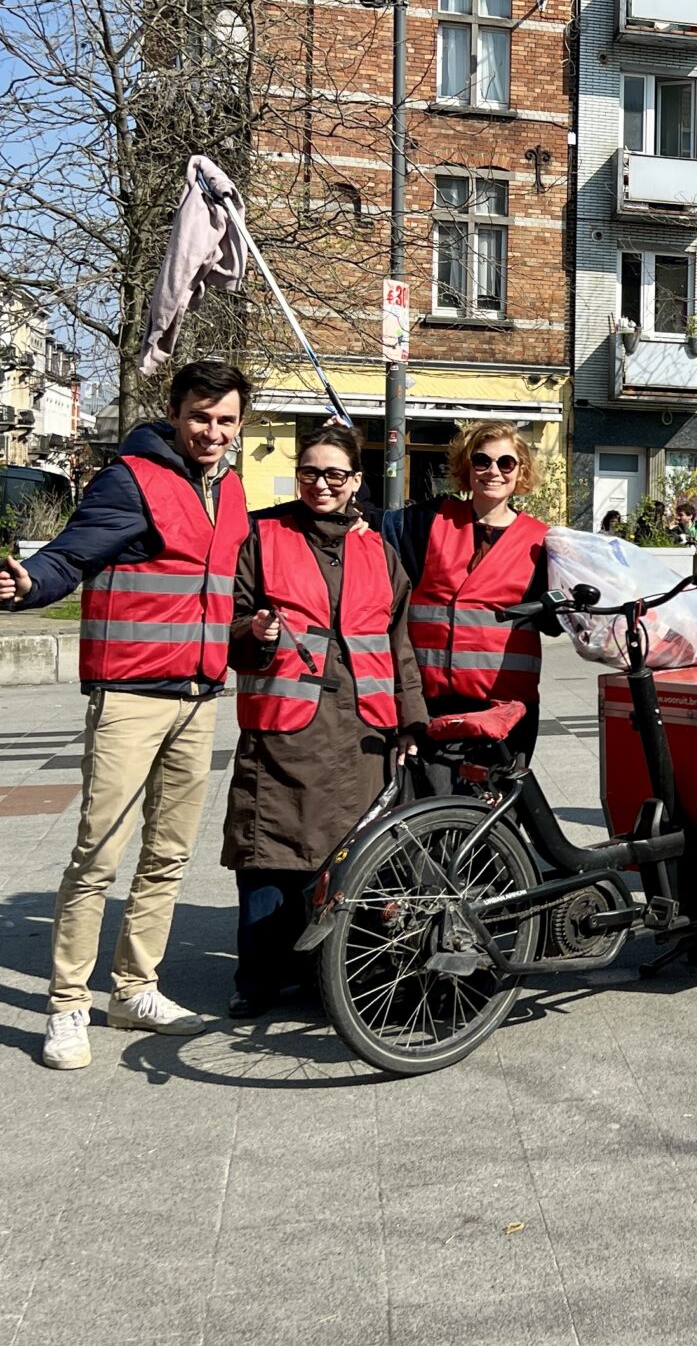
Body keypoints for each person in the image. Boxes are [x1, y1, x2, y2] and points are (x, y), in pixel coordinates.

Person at [0, 360, 254, 1070]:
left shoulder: (229, 489)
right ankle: (68, 1003)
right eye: (201, 416)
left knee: (169, 855)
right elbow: (69, 556)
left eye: (226, 420)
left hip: (199, 698)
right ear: (174, 412)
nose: (212, 431)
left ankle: (135, 989)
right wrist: (28, 583)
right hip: (131, 698)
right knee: (98, 855)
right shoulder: (130, 478)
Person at [220, 421, 429, 1017]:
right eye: (310, 471)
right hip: (285, 728)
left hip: (364, 735)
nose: (321, 483)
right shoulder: (263, 539)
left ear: (356, 481)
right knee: (271, 856)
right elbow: (229, 626)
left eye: (335, 474)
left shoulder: (380, 552)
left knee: (349, 860)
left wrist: (411, 721)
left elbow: (398, 645)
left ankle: (328, 976)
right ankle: (258, 980)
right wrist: (252, 632)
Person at [395, 421, 548, 761]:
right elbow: (367, 520)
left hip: (505, 710)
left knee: (496, 809)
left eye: (505, 463)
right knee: (432, 809)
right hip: (430, 704)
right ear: (467, 466)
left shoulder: (543, 542)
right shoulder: (427, 521)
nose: (493, 471)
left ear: (520, 470)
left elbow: (556, 621)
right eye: (482, 461)